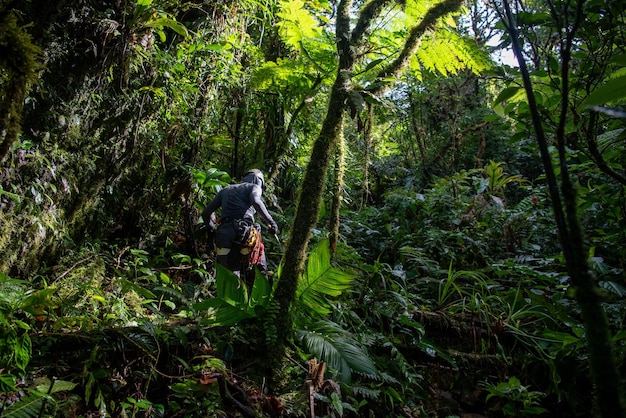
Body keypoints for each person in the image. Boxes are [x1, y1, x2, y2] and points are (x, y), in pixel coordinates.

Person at [201, 169, 278, 278]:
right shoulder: (254, 187)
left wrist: (212, 229)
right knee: (259, 271)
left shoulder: (225, 190)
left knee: (228, 276)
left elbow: (205, 213)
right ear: (258, 180)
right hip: (245, 234)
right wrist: (271, 222)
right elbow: (256, 201)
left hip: (223, 235)